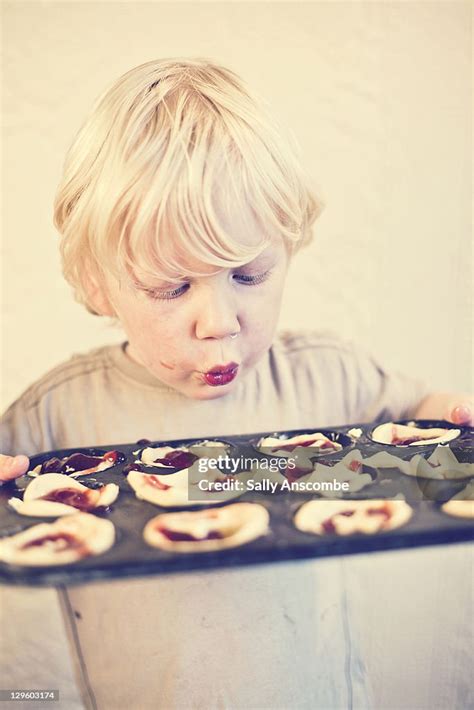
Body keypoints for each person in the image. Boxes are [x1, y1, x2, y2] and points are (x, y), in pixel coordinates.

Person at [0, 58, 472, 709]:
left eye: (248, 276)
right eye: (172, 287)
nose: (220, 324)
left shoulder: (325, 375)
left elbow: (425, 419)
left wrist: (454, 414)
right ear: (95, 282)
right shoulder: (55, 417)